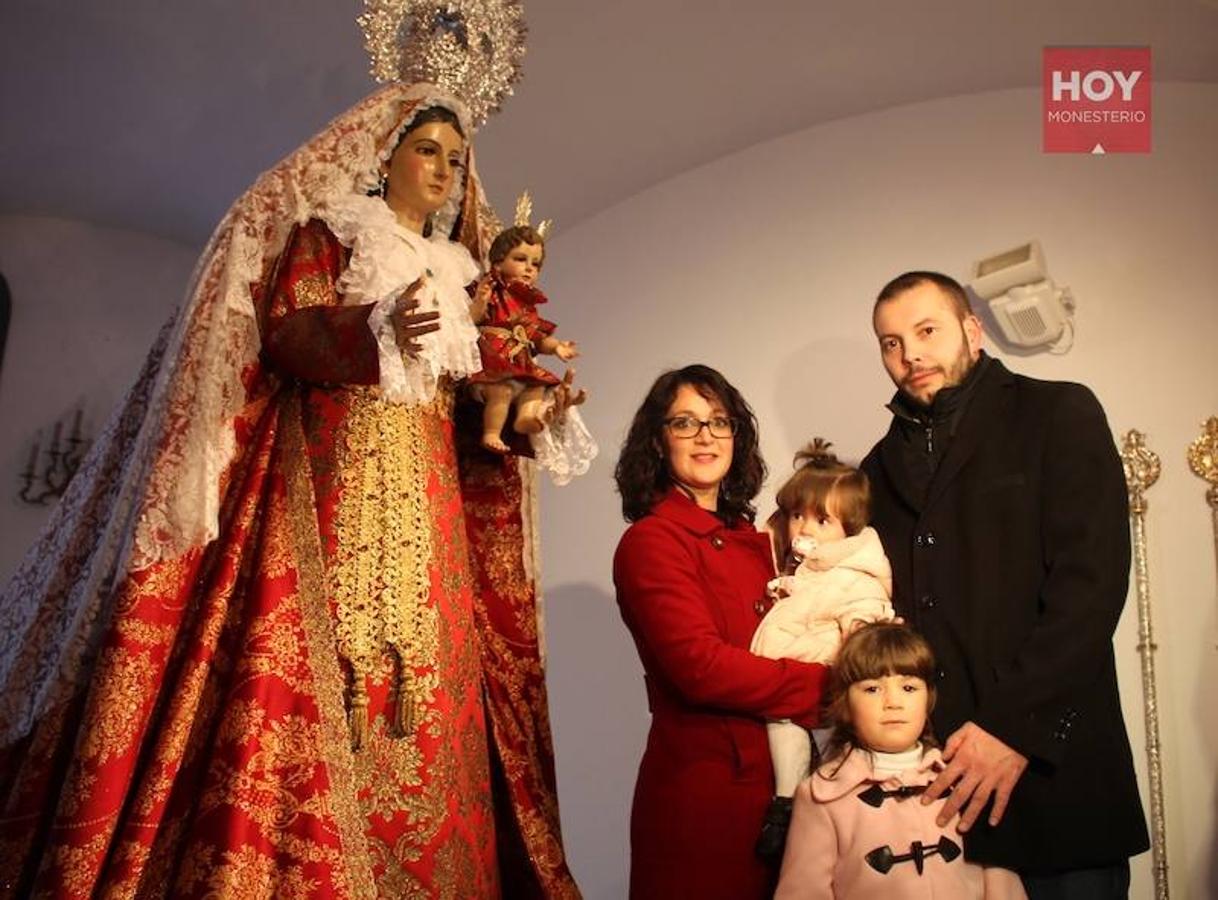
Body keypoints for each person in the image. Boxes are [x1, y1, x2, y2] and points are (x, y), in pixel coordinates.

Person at [0, 84, 580, 899]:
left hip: (432, 508)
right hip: (329, 487)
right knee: (317, 670)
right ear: (385, 156)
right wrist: (369, 326)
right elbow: (285, 330)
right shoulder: (335, 232)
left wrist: (529, 409)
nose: (446, 170)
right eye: (428, 151)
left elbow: (470, 390)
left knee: (433, 691)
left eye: (458, 159)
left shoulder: (463, 273)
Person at [860, 271, 1148, 897]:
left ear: (972, 329)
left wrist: (1013, 728)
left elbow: (1090, 587)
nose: (909, 354)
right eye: (890, 342)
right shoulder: (874, 471)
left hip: (1058, 781)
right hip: (939, 799)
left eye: (926, 330)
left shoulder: (1059, 411)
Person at [612, 364, 829, 899]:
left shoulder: (757, 540)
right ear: (658, 442)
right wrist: (832, 687)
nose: (706, 435)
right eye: (684, 422)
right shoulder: (653, 541)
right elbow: (700, 669)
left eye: (719, 421)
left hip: (782, 787)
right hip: (708, 795)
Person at [775, 622, 1026, 898]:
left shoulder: (964, 780)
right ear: (845, 704)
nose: (893, 702)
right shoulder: (822, 797)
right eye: (872, 689)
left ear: (928, 699)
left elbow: (1003, 886)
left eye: (908, 688)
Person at [749, 438, 894, 860]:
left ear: (848, 528)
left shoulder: (856, 574)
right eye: (797, 516)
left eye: (822, 520)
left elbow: (862, 623)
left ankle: (805, 812)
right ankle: (787, 805)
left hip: (827, 688)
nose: (805, 529)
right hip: (788, 688)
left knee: (837, 764)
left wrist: (855, 651)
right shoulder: (802, 570)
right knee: (786, 742)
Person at [469, 222, 580, 453]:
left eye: (535, 264)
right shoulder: (493, 292)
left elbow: (538, 337)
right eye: (521, 259)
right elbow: (472, 319)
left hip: (519, 363)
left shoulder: (527, 305)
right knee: (502, 391)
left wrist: (557, 347)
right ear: (498, 261)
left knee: (536, 387)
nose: (529, 268)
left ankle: (526, 417)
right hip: (493, 360)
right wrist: (480, 300)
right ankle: (491, 432)